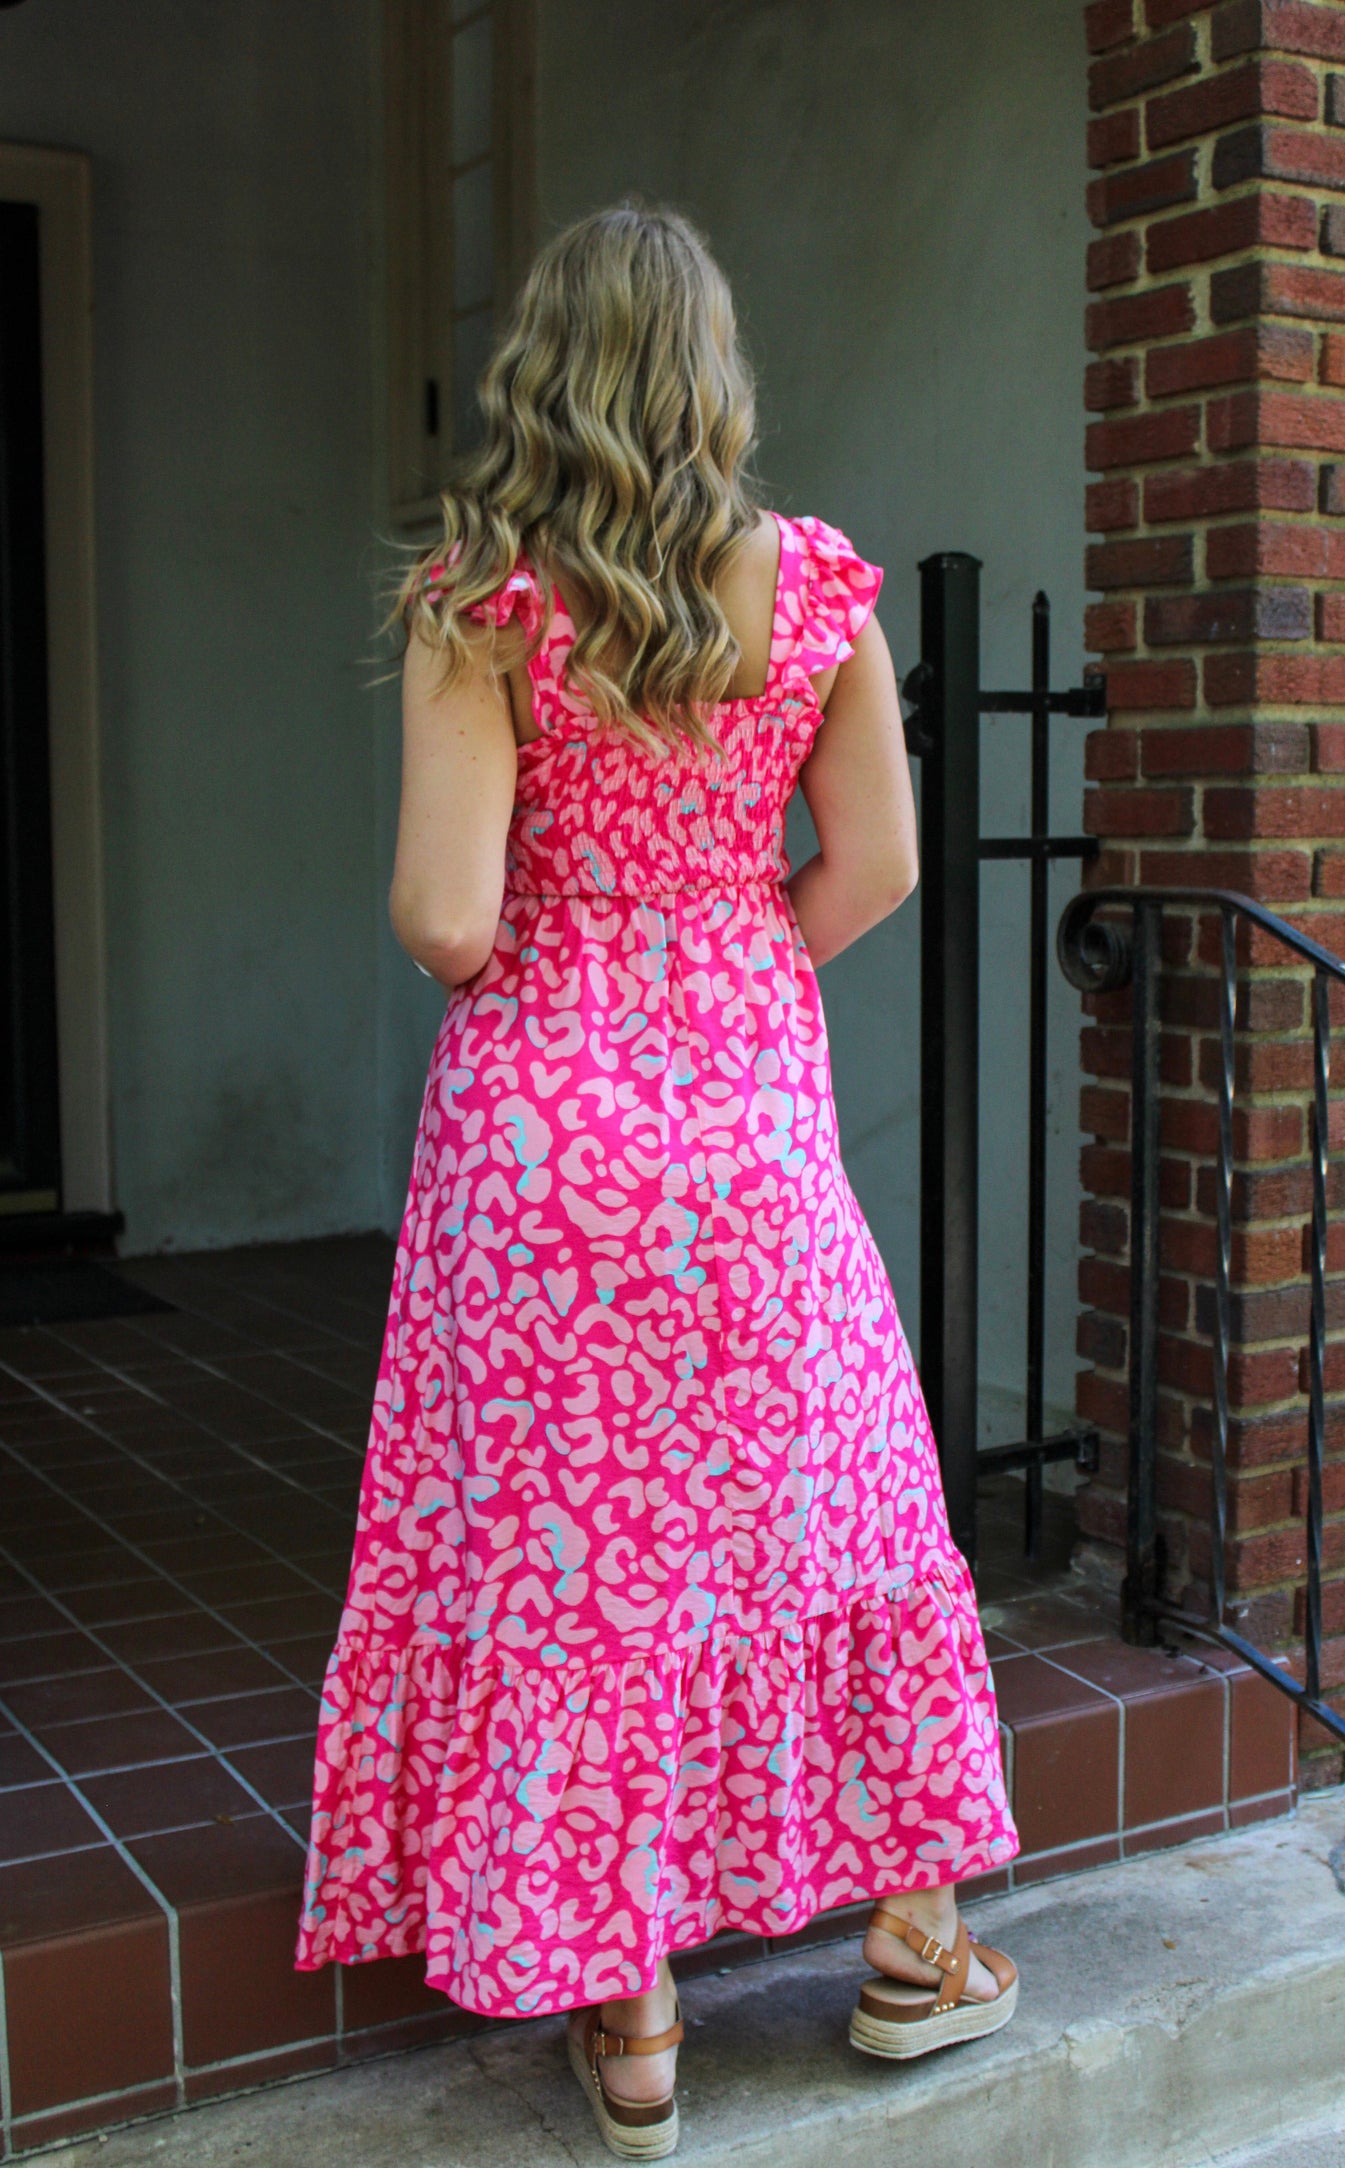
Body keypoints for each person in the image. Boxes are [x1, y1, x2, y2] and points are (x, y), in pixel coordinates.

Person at [296, 201, 1018, 2161]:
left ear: (544, 372)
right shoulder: (819, 589)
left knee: (572, 1568)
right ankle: (914, 1946)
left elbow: (447, 917)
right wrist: (725, 936)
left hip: (537, 1149)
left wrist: (573, 927)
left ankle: (634, 2027)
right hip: (750, 1125)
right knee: (838, 1500)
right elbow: (873, 867)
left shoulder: (485, 601)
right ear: (715, 376)